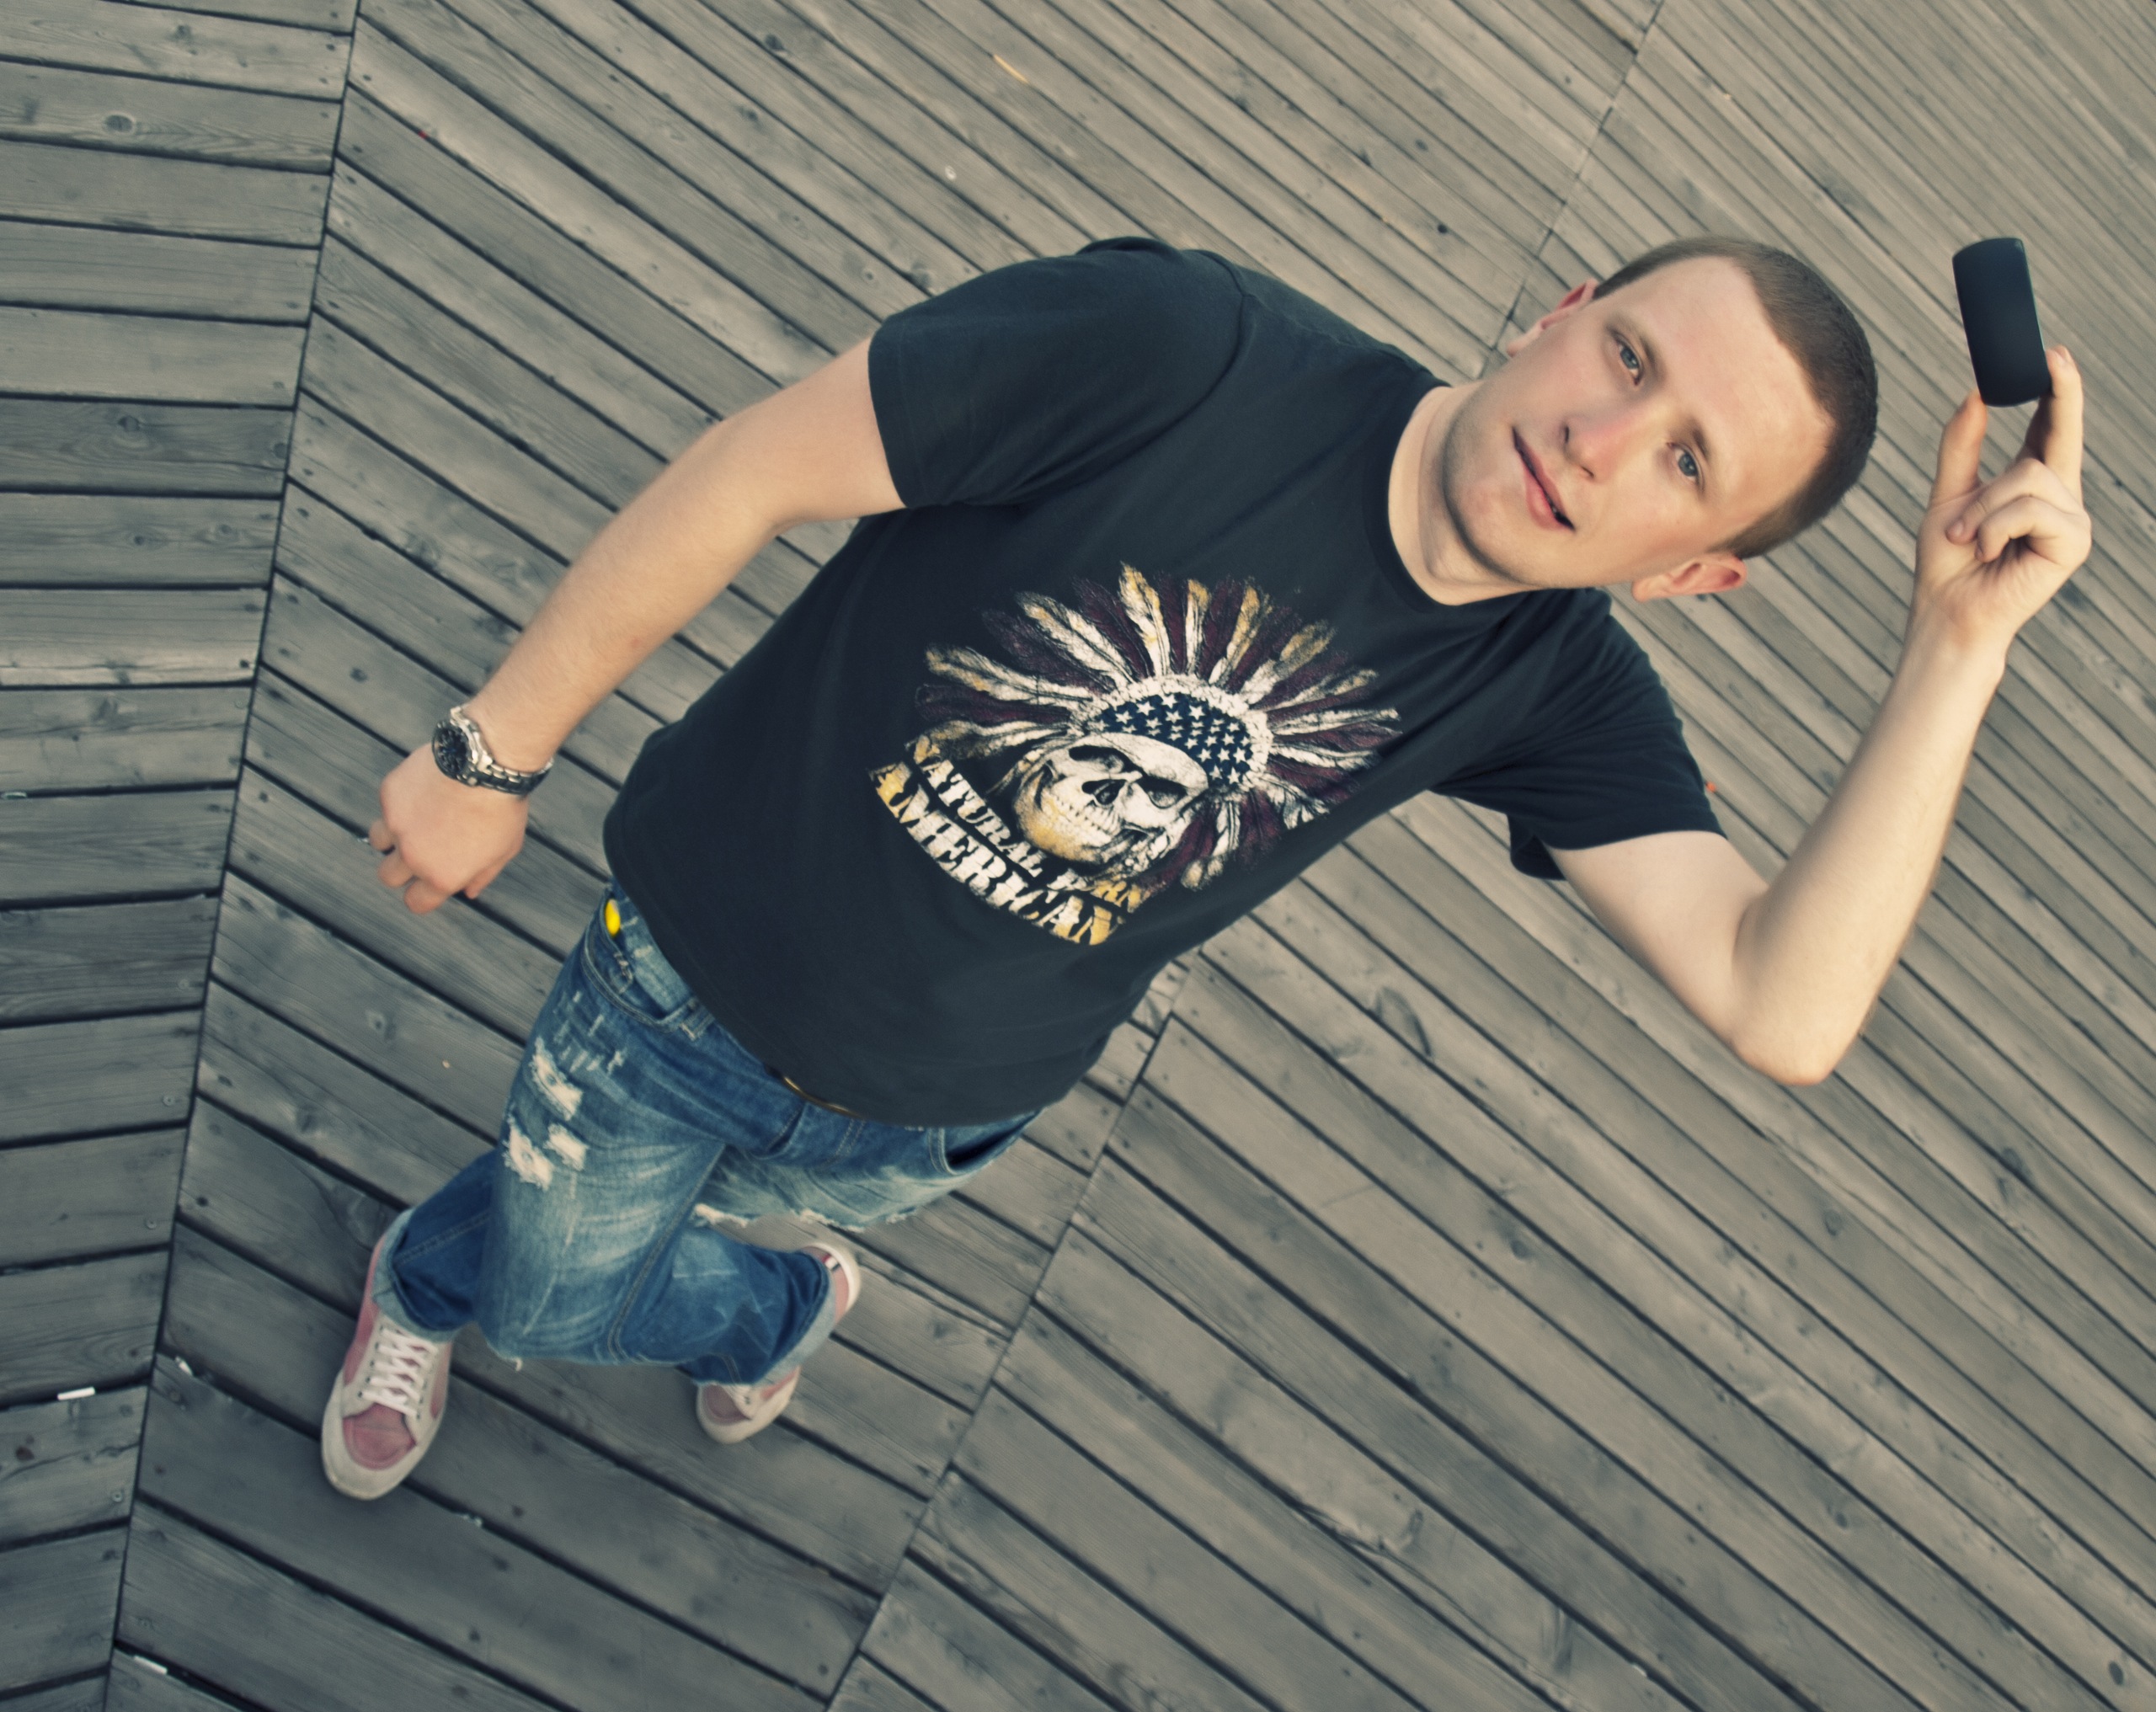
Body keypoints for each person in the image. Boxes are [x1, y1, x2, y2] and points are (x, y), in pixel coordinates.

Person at [320, 234, 2091, 1498]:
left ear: (1690, 574)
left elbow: (1781, 1005)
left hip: (930, 1122)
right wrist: (492, 753)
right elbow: (755, 467)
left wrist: (1959, 647)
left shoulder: (1551, 684)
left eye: (1686, 462)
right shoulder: (1178, 350)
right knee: (552, 1292)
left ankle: (768, 1276)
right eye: (1628, 358)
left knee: (618, 1241)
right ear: (1561, 311)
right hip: (679, 988)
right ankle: (478, 1285)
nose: (1601, 440)